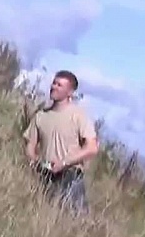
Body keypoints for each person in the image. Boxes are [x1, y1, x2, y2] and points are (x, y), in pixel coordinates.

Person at [22, 70, 99, 214]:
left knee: (74, 220)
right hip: (45, 175)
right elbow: (30, 145)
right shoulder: (41, 116)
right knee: (45, 217)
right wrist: (34, 162)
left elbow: (92, 148)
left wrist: (64, 162)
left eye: (60, 85)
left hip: (70, 177)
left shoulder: (78, 115)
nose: (54, 87)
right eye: (54, 83)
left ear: (70, 92)